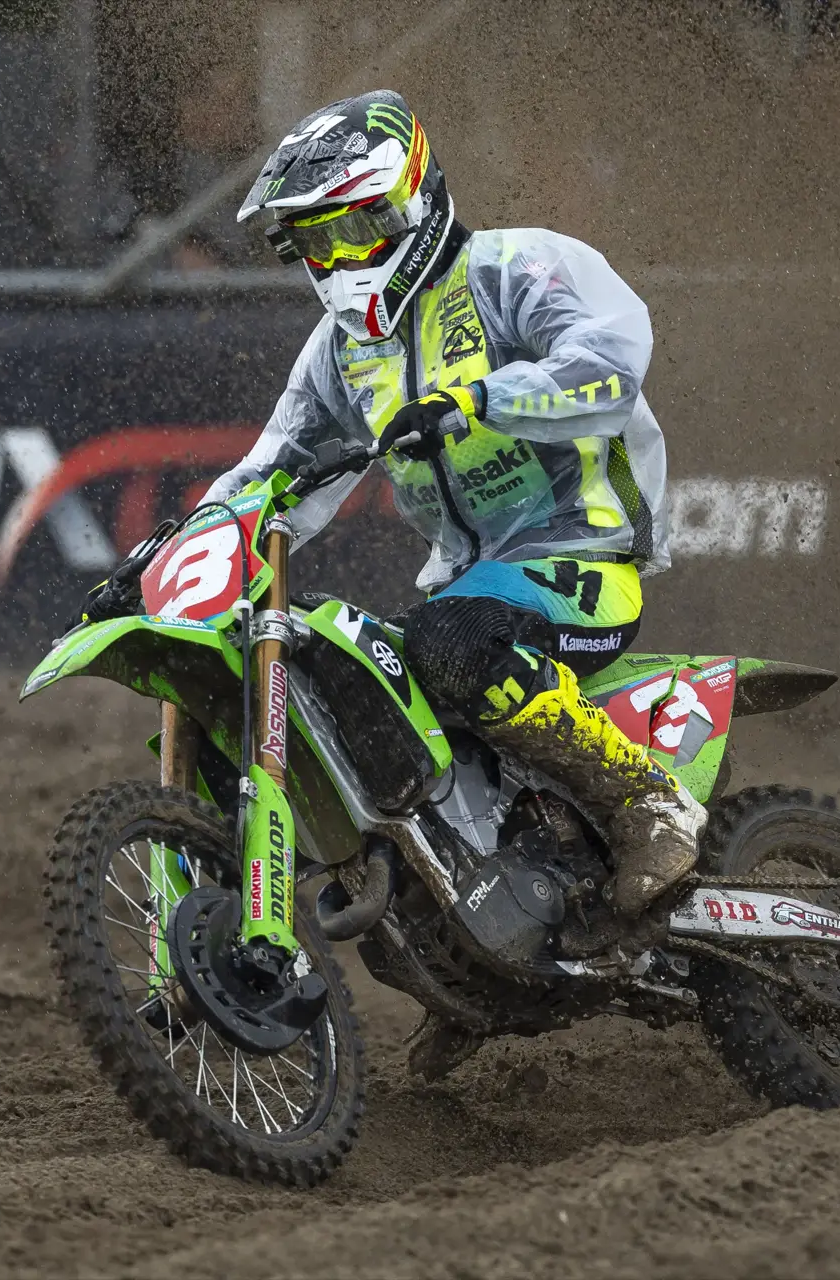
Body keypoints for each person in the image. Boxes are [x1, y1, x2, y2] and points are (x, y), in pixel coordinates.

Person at [196, 90, 700, 927]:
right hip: (468, 582)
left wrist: (479, 400)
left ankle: (649, 800)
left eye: (357, 227)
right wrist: (169, 553)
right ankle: (470, 949)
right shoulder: (337, 354)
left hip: (585, 553)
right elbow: (272, 471)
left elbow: (612, 361)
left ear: (415, 198)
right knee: (346, 683)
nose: (342, 256)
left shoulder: (516, 266)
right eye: (319, 240)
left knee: (451, 643)